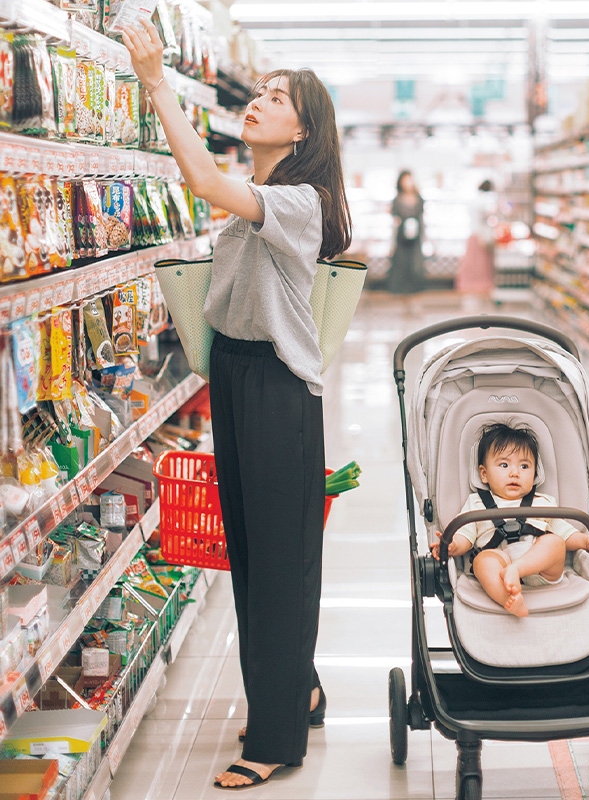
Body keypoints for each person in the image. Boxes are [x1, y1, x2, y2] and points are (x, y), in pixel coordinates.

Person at [122, 20, 351, 791]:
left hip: (280, 390)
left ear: (304, 129)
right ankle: (300, 687)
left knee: (280, 562)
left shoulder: (300, 201)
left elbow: (204, 182)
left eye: (275, 98)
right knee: (254, 554)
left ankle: (276, 738)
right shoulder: (260, 199)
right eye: (258, 92)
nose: (256, 102)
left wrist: (157, 82)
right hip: (237, 377)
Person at [431, 423, 589, 618]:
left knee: (554, 542)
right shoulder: (476, 503)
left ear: (535, 474)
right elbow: (466, 534)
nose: (515, 473)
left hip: (540, 570)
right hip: (499, 561)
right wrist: (452, 546)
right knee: (482, 561)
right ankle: (510, 599)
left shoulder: (544, 502)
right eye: (504, 465)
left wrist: (586, 542)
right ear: (484, 474)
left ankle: (516, 570)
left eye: (524, 466)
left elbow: (565, 532)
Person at [386, 170, 425, 294]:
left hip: (416, 238)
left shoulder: (419, 199)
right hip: (401, 238)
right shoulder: (397, 200)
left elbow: (422, 220)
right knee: (400, 264)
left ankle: (415, 291)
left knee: (415, 265)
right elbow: (394, 221)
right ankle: (400, 292)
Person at [455, 179, 496, 296]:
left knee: (472, 263)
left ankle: (470, 285)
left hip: (473, 235)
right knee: (480, 265)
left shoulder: (475, 201)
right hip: (481, 237)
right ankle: (480, 285)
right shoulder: (486, 201)